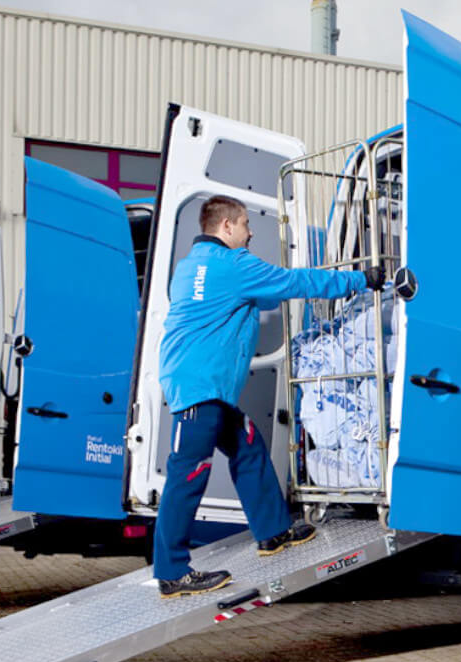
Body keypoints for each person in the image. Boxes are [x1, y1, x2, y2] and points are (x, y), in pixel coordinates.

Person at [153, 194, 383, 598]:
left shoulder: (191, 267)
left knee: (247, 444)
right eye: (244, 223)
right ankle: (172, 572)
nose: (251, 230)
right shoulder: (232, 265)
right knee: (186, 477)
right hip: (198, 389)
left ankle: (273, 532)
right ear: (226, 227)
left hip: (203, 385)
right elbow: (292, 283)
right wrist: (362, 279)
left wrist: (272, 288)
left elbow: (265, 295)